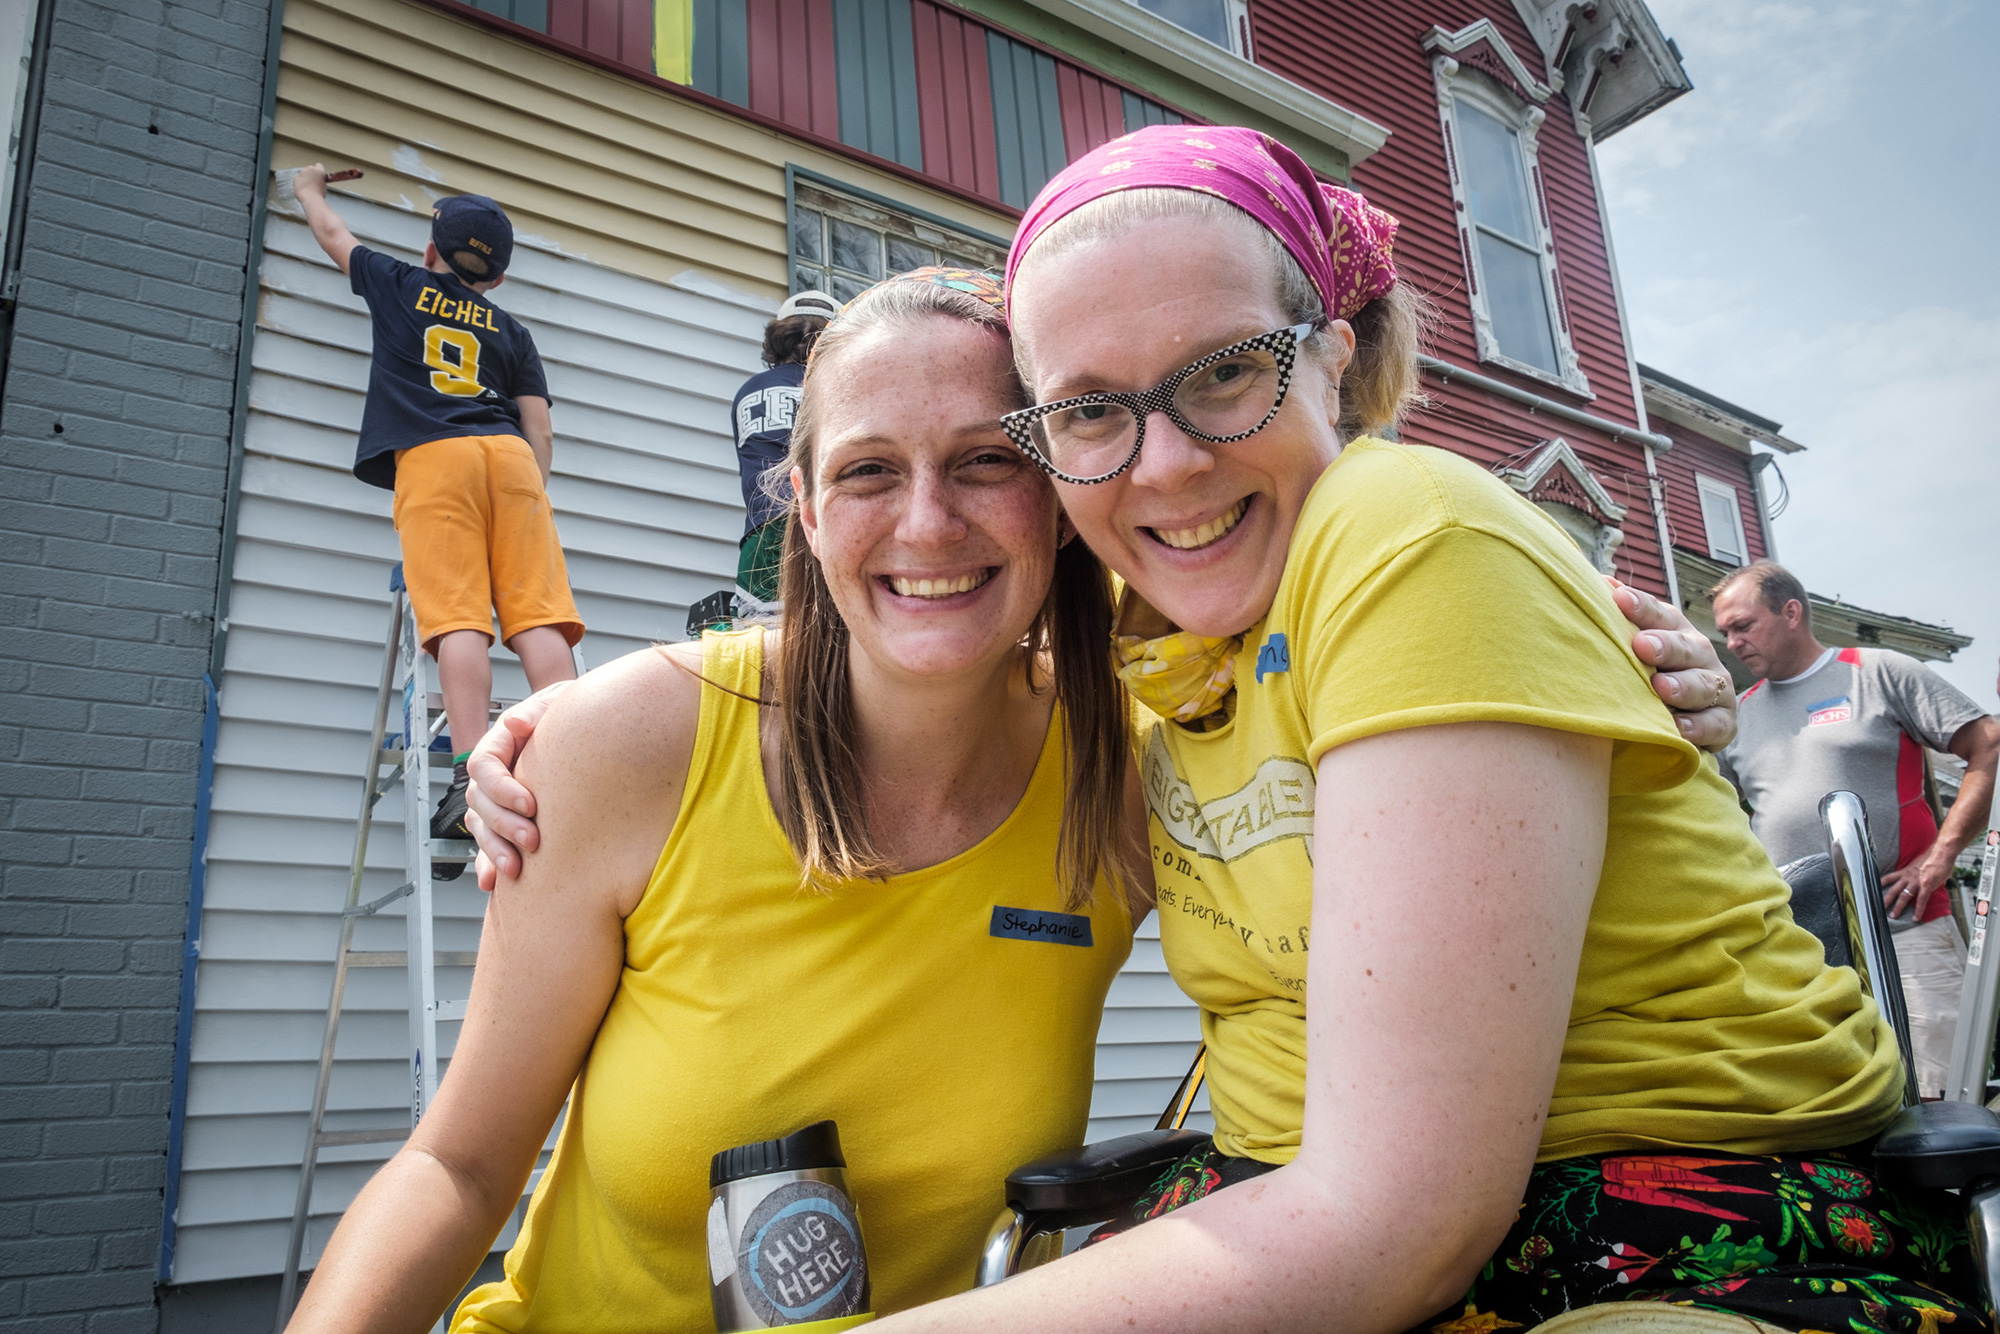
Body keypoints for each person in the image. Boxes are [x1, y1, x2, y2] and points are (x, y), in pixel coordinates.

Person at [463, 136, 1845, 1332]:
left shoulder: (1396, 529)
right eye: (1091, 412)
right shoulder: (1156, 641)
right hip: (1290, 1211)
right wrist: (579, 722)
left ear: (1334, 360)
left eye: (1227, 374)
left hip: (1657, 1221)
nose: (1168, 462)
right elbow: (915, 609)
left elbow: (1399, 1215)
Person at [283, 270, 1144, 1333]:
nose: (927, 522)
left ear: (1056, 495)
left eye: (985, 461)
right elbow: (458, 1164)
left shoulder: (1123, 778)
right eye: (869, 468)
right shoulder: (632, 744)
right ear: (808, 508)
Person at [291, 166, 581, 862]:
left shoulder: (399, 285)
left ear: (430, 252)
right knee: (536, 616)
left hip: (435, 456)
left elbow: (334, 235)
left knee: (458, 619)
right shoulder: (512, 331)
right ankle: (581, 761)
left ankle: (468, 779)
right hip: (509, 460)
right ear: (499, 277)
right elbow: (539, 430)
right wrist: (525, 494)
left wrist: (308, 189)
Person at [1714, 560, 2000, 1099]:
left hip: (1905, 930)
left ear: (1791, 612)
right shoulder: (1740, 714)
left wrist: (1939, 858)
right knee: (1838, 1110)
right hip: (1802, 950)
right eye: (1725, 631)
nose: (1732, 642)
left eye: (1743, 625)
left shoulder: (1875, 672)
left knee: (1940, 1103)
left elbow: (1988, 742)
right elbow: (1717, 815)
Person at [732, 290, 842, 602]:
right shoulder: (829, 390)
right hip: (817, 531)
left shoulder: (747, 391)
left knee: (761, 641)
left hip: (759, 537)